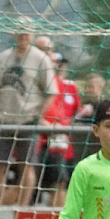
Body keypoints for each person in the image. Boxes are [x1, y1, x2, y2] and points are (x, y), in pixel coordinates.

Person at [0, 30, 56, 207]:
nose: (24, 36)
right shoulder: (1, 58)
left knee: (26, 166)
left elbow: (51, 92)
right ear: (13, 35)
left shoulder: (40, 59)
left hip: (27, 122)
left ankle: (23, 208)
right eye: (20, 32)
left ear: (32, 35)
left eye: (27, 33)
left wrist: (38, 114)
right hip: (4, 122)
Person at [36, 55, 82, 207]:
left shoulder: (69, 87)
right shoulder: (42, 83)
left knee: (61, 182)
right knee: (35, 184)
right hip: (43, 143)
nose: (60, 67)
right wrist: (44, 123)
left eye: (61, 64)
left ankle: (56, 216)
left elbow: (77, 112)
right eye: (56, 63)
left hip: (63, 146)